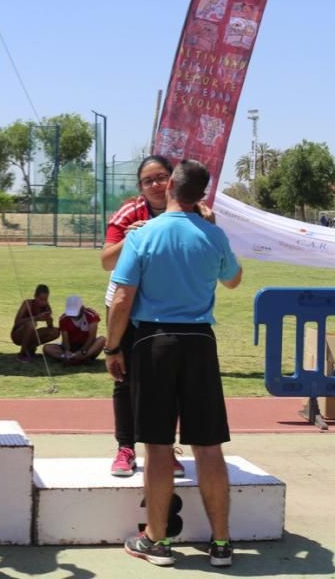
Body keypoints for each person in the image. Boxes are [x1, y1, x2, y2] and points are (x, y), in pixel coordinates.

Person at [105, 160, 242, 568]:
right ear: (201, 197)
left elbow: (122, 298)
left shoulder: (145, 234)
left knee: (159, 447)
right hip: (200, 341)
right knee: (208, 446)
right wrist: (212, 231)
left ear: (169, 190)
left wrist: (113, 347)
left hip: (154, 341)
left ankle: (157, 541)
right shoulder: (213, 234)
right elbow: (233, 279)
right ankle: (221, 543)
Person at [100, 155, 185, 478]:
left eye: (161, 177)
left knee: (168, 381)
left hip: (168, 308)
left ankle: (165, 448)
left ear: (173, 179)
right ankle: (125, 448)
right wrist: (129, 239)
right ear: (140, 187)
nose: (155, 185)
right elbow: (107, 261)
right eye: (148, 180)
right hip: (127, 306)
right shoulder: (130, 212)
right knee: (124, 378)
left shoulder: (188, 210)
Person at [42, 295, 106, 366]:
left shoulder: (92, 315)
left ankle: (82, 357)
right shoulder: (63, 319)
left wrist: (82, 351)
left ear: (82, 308)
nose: (73, 316)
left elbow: (92, 337)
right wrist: (67, 351)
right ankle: (68, 358)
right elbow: (65, 340)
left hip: (87, 347)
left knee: (102, 339)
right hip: (72, 346)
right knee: (47, 348)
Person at [10, 284, 58, 362]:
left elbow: (50, 328)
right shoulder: (27, 303)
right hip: (18, 335)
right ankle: (22, 353)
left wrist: (49, 321)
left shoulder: (46, 307)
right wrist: (36, 318)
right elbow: (17, 322)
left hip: (31, 334)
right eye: (41, 299)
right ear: (35, 296)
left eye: (45, 299)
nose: (43, 302)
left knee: (55, 332)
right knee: (31, 324)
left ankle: (31, 347)